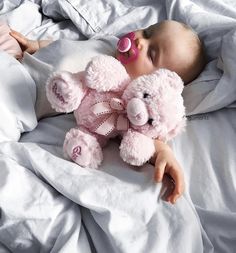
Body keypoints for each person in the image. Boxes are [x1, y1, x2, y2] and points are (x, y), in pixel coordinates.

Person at [8, 20, 206, 204]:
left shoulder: (122, 98)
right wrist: (37, 45)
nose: (140, 41)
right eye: (147, 32)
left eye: (152, 54)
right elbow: (68, 46)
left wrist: (163, 152)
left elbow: (143, 133)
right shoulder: (109, 42)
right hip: (18, 59)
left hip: (23, 96)